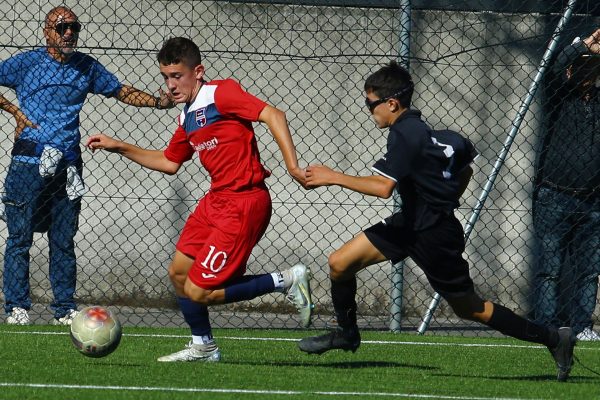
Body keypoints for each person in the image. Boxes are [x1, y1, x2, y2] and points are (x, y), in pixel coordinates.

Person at [298, 61, 577, 382]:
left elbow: (383, 188)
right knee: (339, 263)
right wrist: (446, 199)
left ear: (392, 103)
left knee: (470, 308)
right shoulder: (433, 135)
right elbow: (466, 166)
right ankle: (347, 334)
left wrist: (331, 176)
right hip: (410, 224)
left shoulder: (405, 135)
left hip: (433, 234)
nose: (368, 111)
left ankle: (555, 339)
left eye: (370, 104)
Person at [86, 37, 313, 362]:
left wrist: (292, 165)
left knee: (199, 291)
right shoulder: (186, 116)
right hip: (216, 201)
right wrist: (118, 146)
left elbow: (274, 114)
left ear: (198, 71)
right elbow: (169, 162)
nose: (170, 84)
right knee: (179, 273)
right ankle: (203, 346)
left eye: (177, 75)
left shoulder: (221, 94)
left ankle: (287, 280)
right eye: (165, 76)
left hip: (244, 202)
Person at [0, 6, 175, 326]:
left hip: (68, 165)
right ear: (47, 32)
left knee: (63, 240)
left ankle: (64, 308)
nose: (69, 33)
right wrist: (14, 111)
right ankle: (17, 307)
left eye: (74, 27)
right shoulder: (26, 64)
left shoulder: (85, 67)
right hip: (28, 162)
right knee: (20, 238)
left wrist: (157, 101)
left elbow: (120, 90)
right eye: (62, 27)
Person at [532, 28, 600, 341]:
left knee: (589, 271)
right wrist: (582, 47)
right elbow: (552, 71)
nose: (586, 70)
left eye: (592, 65)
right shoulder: (558, 96)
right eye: (581, 65)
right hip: (555, 196)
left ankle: (582, 326)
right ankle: (546, 326)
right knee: (550, 269)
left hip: (593, 201)